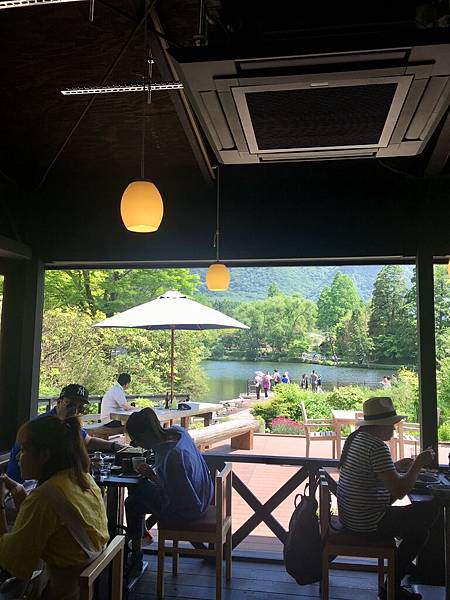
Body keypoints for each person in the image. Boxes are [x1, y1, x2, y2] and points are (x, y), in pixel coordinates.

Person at [337, 397, 438, 600]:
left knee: (418, 521)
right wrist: (418, 464)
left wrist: (395, 467)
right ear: (379, 426)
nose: (393, 429)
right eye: (391, 424)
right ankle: (392, 586)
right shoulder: (377, 447)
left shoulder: (356, 439)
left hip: (351, 518)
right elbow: (400, 491)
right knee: (422, 527)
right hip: (368, 523)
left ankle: (401, 566)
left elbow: (373, 474)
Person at [0, 415, 109, 600]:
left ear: (44, 456)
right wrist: (20, 493)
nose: (18, 457)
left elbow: (12, 562)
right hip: (85, 587)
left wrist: (0, 505)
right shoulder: (81, 479)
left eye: (24, 450)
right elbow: (53, 520)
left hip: (60, 592)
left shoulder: (44, 497)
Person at [124, 408, 213, 576]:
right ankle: (141, 536)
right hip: (205, 492)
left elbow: (179, 497)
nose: (137, 445)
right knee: (138, 491)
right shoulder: (179, 432)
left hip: (191, 509)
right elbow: (179, 485)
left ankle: (135, 558)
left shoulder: (172, 456)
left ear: (144, 435)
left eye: (136, 441)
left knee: (132, 502)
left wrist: (151, 476)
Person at [7, 384, 125, 485]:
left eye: (80, 408)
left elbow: (87, 441)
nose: (75, 411)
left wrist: (115, 446)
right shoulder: (46, 426)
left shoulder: (66, 424)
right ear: (59, 402)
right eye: (70, 404)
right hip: (23, 484)